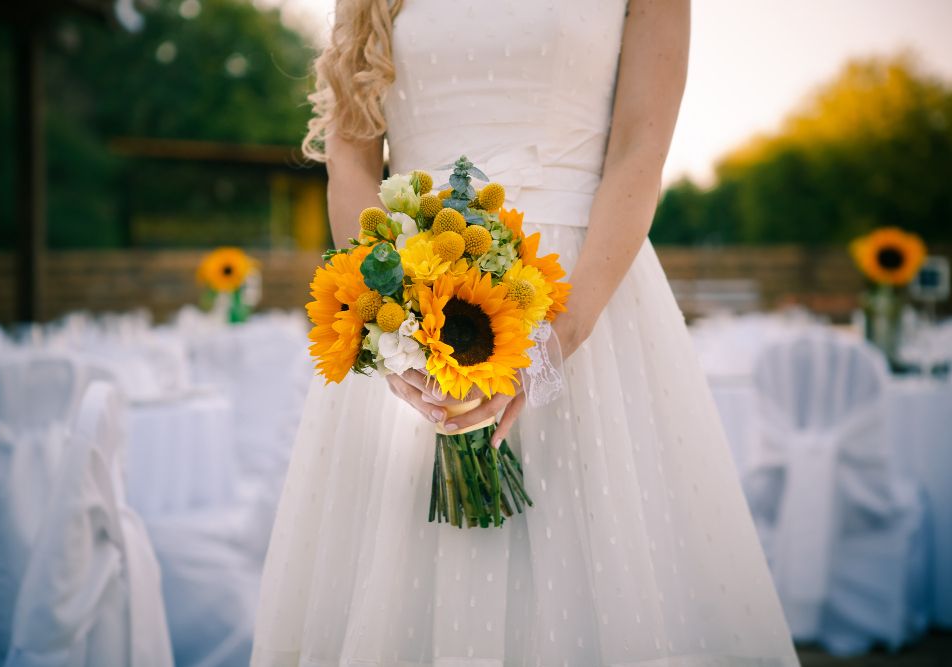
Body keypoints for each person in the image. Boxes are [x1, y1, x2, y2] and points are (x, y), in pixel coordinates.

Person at [252, 0, 801, 665]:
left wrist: (559, 336)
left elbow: (639, 150)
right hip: (410, 281)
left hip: (583, 293)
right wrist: (389, 317)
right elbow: (353, 162)